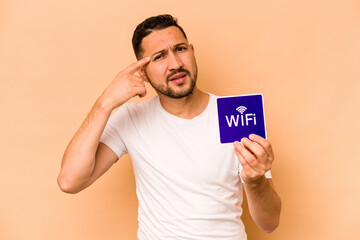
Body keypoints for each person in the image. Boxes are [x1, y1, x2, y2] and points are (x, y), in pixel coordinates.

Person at [57, 14, 281, 240]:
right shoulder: (132, 119)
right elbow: (69, 181)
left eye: (180, 49)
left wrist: (255, 180)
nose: (175, 64)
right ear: (142, 72)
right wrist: (104, 103)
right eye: (159, 57)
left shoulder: (234, 115)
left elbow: (269, 223)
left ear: (192, 51)